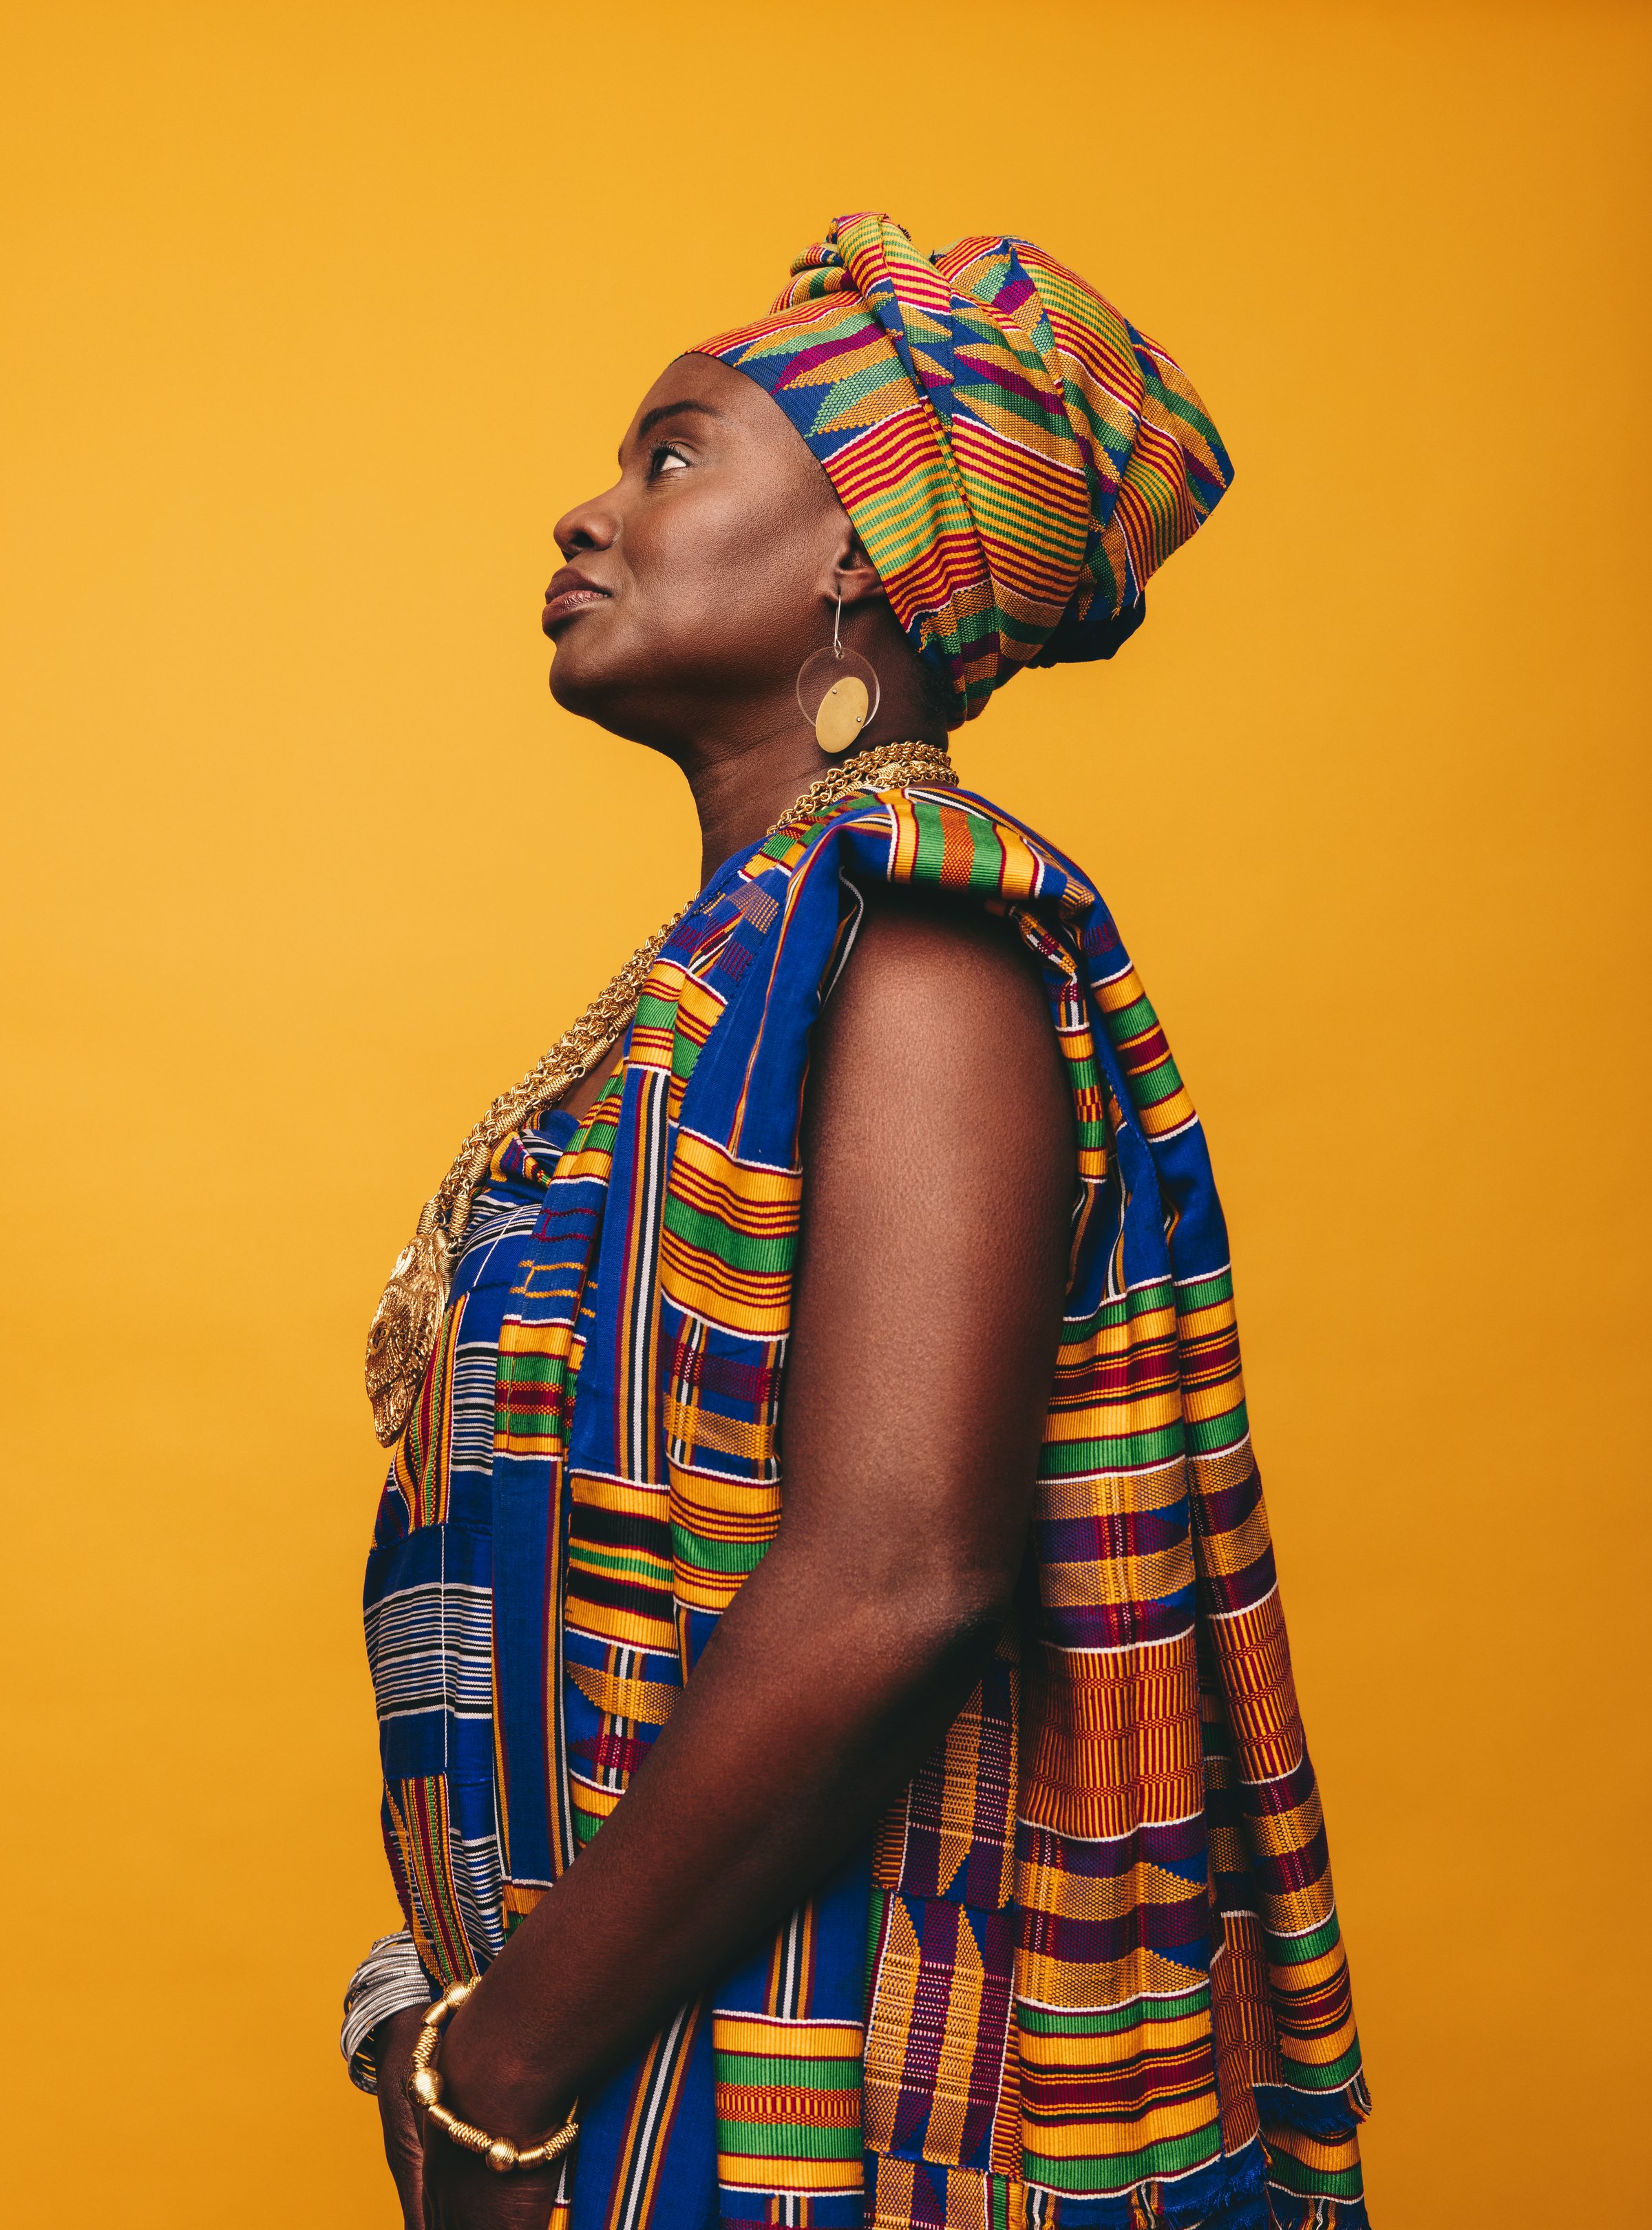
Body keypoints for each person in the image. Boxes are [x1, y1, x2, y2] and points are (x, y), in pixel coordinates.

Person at [341, 213, 1369, 2230]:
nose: (586, 510)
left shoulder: (920, 948)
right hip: (621, 2047)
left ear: (850, 559)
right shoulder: (734, 967)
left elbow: (899, 1573)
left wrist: (500, 2068)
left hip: (812, 2104)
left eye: (672, 456)